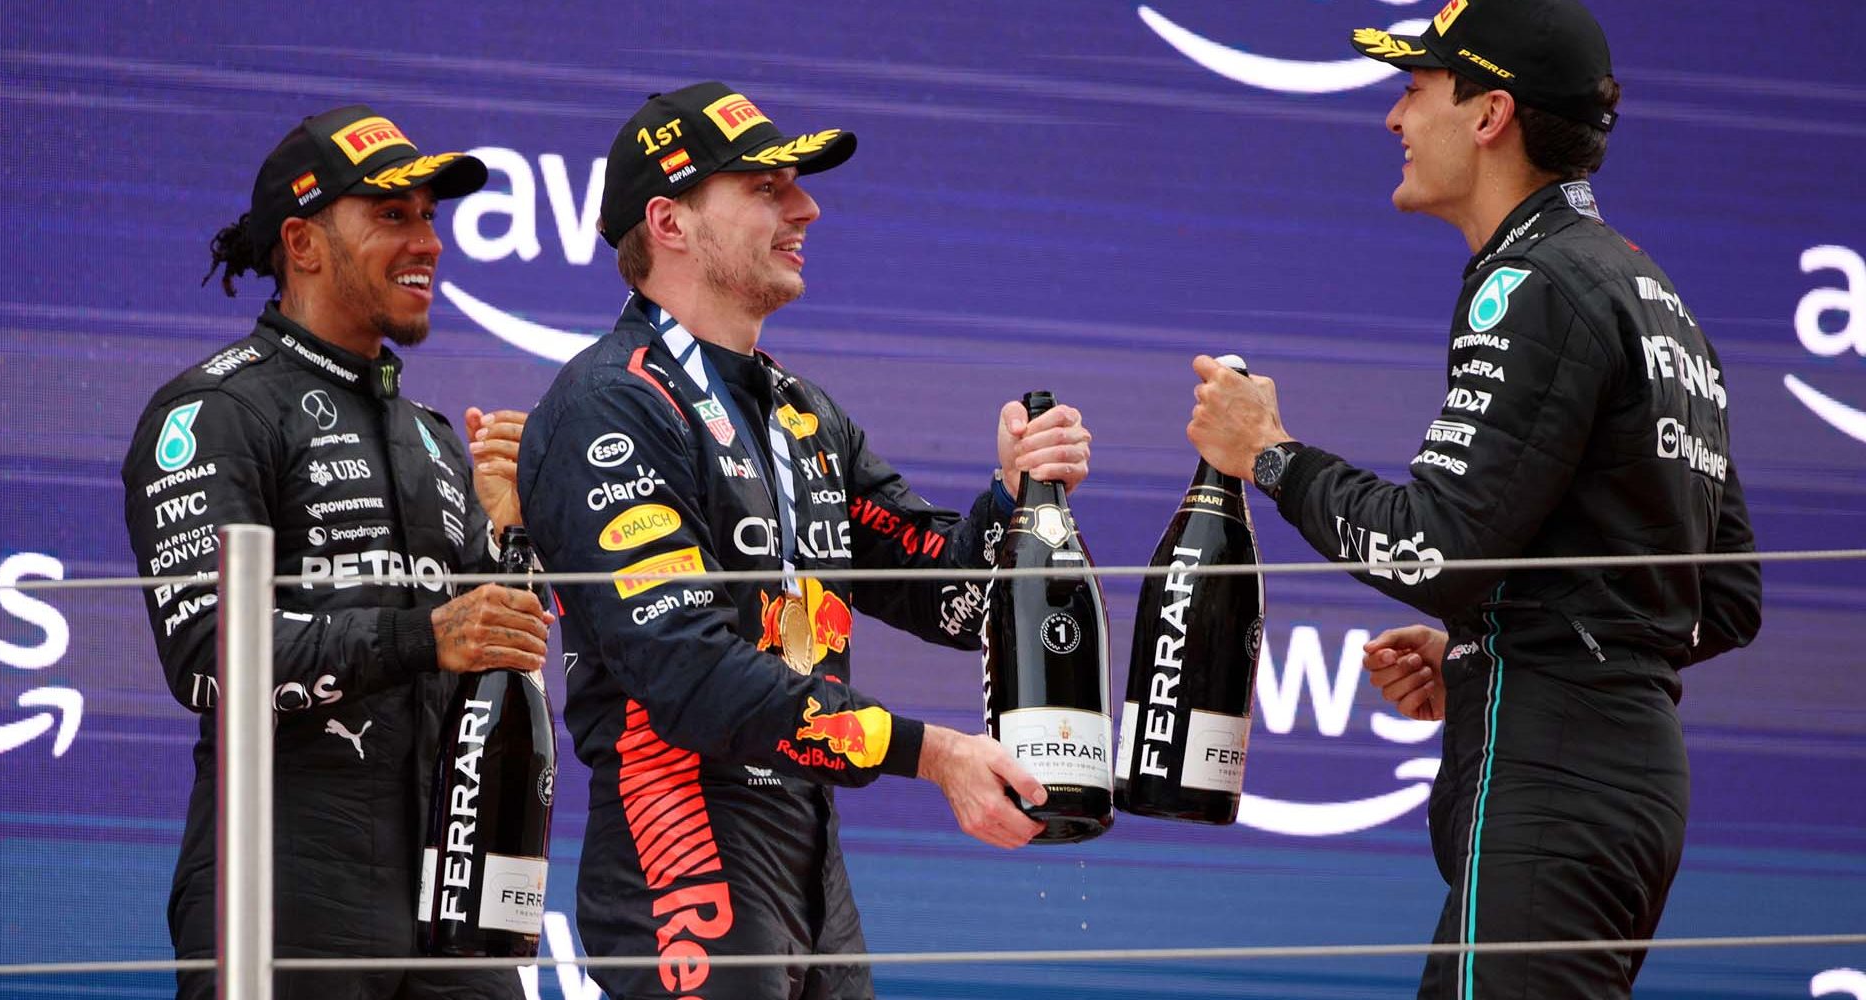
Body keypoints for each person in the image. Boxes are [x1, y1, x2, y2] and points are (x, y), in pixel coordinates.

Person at [1184, 1, 1762, 996]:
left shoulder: (1534, 280)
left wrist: (1270, 456)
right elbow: (1724, 593)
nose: (1393, 120)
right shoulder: (1649, 292)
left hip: (1553, 780)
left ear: (1489, 114)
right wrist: (1485, 646)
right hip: (1617, 785)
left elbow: (1438, 546)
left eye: (1415, 89)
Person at [517, 81, 1094, 1000]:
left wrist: (1014, 501)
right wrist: (932, 754)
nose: (807, 207)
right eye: (765, 188)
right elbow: (690, 676)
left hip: (808, 845)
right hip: (684, 834)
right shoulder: (610, 409)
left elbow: (954, 599)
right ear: (668, 222)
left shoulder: (800, 412)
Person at [121, 104, 551, 1000]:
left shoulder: (436, 442)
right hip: (284, 894)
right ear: (303, 243)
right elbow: (207, 658)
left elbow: (491, 666)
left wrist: (508, 534)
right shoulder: (215, 412)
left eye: (430, 216)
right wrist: (417, 637)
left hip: (451, 912)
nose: (427, 241)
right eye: (392, 215)